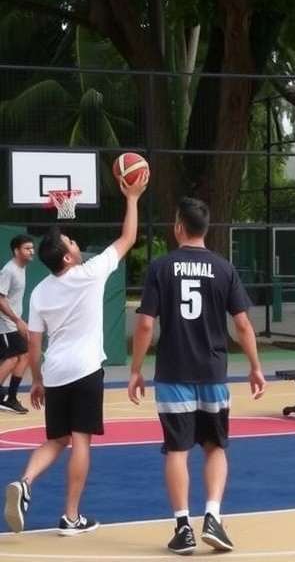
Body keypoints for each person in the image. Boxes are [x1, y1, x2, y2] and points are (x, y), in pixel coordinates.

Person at [3, 171, 149, 536]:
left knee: (55, 439)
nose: (74, 242)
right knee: (79, 440)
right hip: (85, 370)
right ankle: (71, 516)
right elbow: (129, 237)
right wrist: (131, 197)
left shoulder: (40, 294)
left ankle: (25, 481)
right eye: (70, 240)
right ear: (67, 258)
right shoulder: (90, 273)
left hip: (54, 372)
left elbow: (34, 344)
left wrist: (36, 381)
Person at [128, 197, 266, 555]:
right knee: (215, 446)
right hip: (213, 373)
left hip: (174, 373)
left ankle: (183, 528)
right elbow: (242, 324)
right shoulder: (224, 268)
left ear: (178, 228)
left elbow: (144, 324)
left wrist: (135, 370)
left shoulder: (161, 267)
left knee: (177, 450)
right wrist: (255, 366)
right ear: (206, 229)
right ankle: (214, 518)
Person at [0, 235, 35, 414]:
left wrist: (20, 320)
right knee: (14, 357)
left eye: (32, 248)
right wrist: (17, 320)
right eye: (27, 248)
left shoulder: (21, 268)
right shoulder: (9, 270)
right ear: (16, 251)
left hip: (13, 322)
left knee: (24, 356)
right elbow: (0, 299)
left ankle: (11, 397)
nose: (32, 251)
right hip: (5, 324)